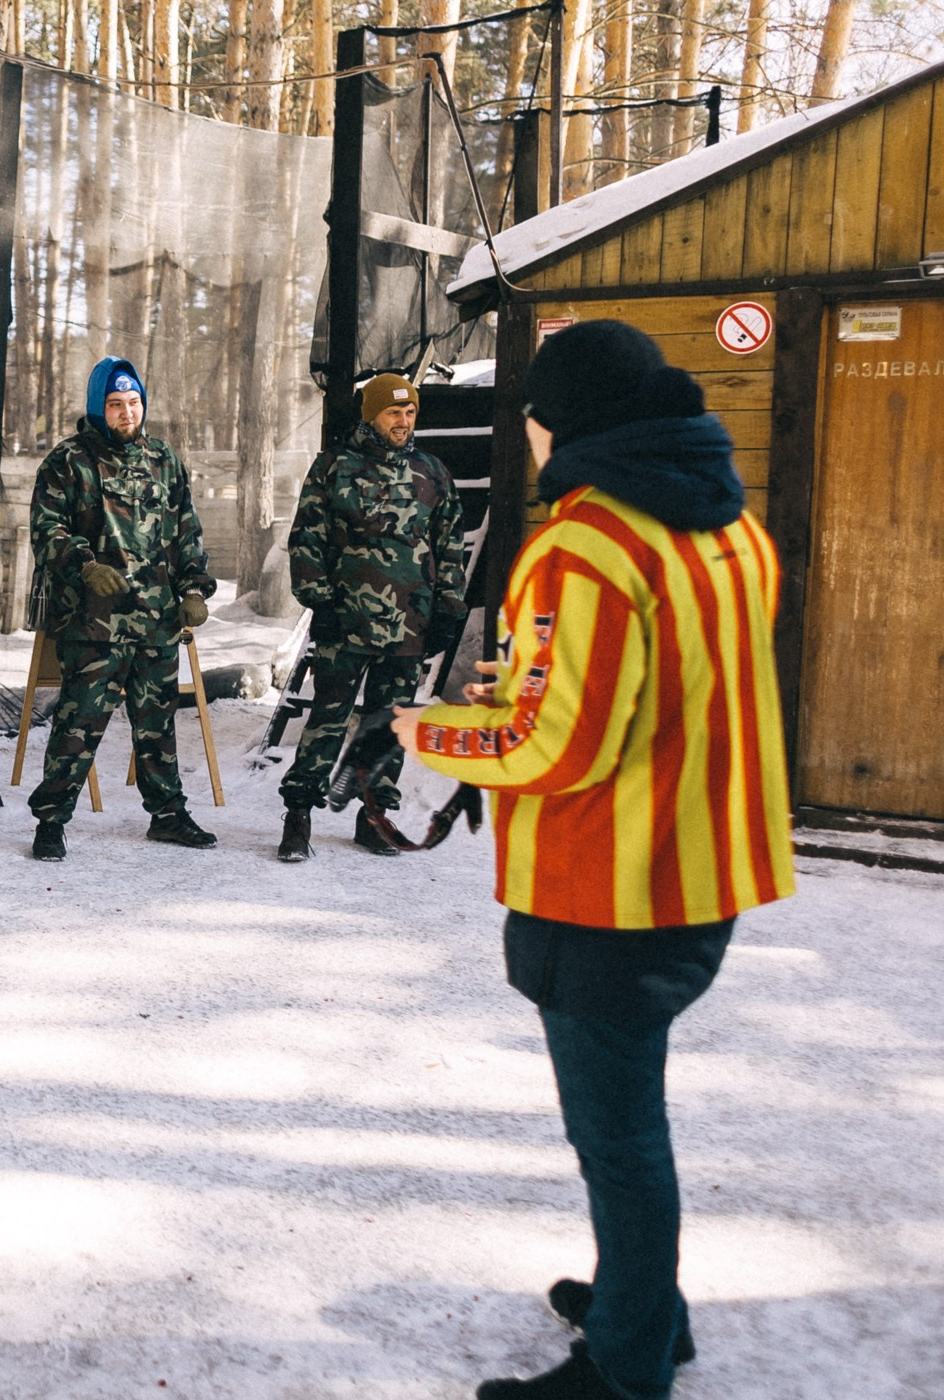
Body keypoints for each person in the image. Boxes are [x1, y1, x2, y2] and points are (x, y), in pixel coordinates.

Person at [391, 321, 795, 1400]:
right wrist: (523, 686)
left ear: (555, 423)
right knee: (632, 1121)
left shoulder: (587, 544)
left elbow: (555, 743)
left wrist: (428, 730)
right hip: (698, 872)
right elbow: (656, 690)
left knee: (618, 1139)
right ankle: (643, 1302)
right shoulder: (728, 532)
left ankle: (626, 1362)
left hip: (608, 888)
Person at [26, 357, 218, 861]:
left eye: (134, 403)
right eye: (115, 405)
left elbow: (186, 531)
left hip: (156, 621)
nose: (127, 413)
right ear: (98, 409)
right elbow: (47, 532)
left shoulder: (164, 459)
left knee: (157, 725)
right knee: (79, 723)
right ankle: (51, 821)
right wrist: (84, 566)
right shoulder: (67, 462)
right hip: (93, 624)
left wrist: (195, 588)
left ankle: (168, 815)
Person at [278, 372, 466, 861]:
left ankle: (374, 816)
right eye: (393, 413)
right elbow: (307, 541)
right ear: (371, 416)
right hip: (346, 620)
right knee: (328, 719)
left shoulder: (432, 472)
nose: (403, 422)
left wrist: (449, 607)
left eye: (409, 413)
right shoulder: (334, 468)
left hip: (411, 623)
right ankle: (298, 815)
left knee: (391, 724)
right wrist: (318, 602)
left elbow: (450, 547)